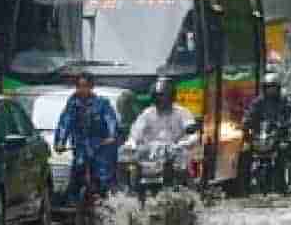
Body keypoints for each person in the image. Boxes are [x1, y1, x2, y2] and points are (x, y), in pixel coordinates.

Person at [54, 71, 119, 205]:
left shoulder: (102, 104)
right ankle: (73, 205)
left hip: (99, 147)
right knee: (77, 173)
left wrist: (112, 136)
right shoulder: (72, 105)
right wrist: (60, 142)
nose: (82, 90)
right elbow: (64, 123)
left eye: (85, 86)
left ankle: (106, 201)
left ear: (91, 87)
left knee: (103, 175)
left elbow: (111, 120)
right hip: (80, 147)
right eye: (79, 86)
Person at [127, 77, 195, 148]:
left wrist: (187, 142)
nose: (159, 99)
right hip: (151, 156)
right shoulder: (147, 114)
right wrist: (131, 142)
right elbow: (136, 132)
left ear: (172, 96)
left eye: (162, 95)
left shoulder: (183, 113)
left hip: (176, 154)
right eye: (156, 96)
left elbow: (192, 132)